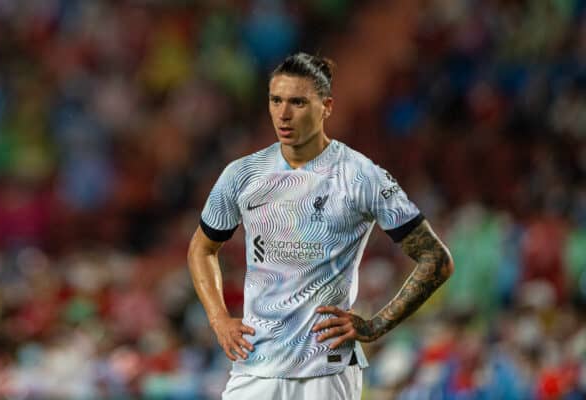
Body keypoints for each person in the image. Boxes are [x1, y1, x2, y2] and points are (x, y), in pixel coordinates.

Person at [187, 52, 454, 400]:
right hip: (255, 364)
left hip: (326, 369)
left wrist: (376, 325)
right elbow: (202, 248)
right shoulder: (243, 174)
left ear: (326, 106)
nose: (283, 114)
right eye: (276, 100)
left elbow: (436, 258)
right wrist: (219, 320)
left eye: (298, 102)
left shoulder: (361, 176)